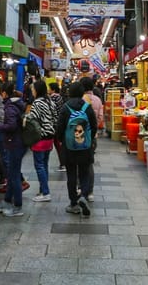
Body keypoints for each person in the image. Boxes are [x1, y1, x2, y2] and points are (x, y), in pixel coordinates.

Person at [56, 82, 97, 217]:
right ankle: (84, 195)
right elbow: (94, 126)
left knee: (71, 175)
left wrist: (63, 140)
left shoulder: (65, 108)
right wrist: (88, 139)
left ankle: (73, 203)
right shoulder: (87, 107)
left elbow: (60, 128)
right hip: (85, 147)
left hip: (69, 148)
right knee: (85, 172)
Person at [0, 80, 27, 217]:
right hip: (16, 143)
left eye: (0, 92)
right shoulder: (15, 104)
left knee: (14, 176)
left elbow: (11, 126)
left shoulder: (10, 107)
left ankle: (17, 206)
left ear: (4, 93)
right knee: (13, 174)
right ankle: (7, 201)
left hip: (14, 143)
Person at [28, 79, 57, 202]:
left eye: (33, 89)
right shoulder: (50, 101)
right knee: (44, 165)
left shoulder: (37, 103)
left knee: (39, 166)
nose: (32, 92)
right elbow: (55, 117)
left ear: (37, 90)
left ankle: (45, 192)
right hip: (50, 137)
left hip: (40, 138)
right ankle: (42, 190)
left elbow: (32, 118)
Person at [48, 81, 66, 172]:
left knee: (57, 144)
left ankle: (63, 163)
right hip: (58, 122)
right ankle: (63, 163)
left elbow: (51, 110)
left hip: (55, 124)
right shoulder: (59, 97)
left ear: (53, 89)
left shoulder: (54, 97)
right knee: (58, 143)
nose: (48, 90)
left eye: (49, 88)